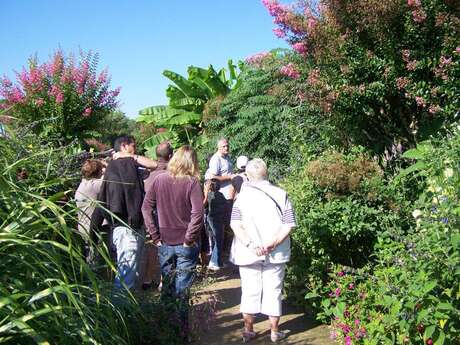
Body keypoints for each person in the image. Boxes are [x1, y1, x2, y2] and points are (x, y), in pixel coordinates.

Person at [229, 158, 296, 343]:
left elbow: (235, 225)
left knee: (249, 290)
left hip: (248, 252)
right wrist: (273, 243)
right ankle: (274, 331)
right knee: (274, 290)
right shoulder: (281, 194)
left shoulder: (241, 198)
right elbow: (289, 224)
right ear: (266, 173)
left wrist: (251, 245)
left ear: (248, 177)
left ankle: (248, 330)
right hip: (276, 251)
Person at [141, 145, 203, 331]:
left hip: (165, 242)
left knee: (168, 287)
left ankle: (166, 329)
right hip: (185, 243)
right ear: (192, 162)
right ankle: (181, 332)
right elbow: (198, 213)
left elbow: (145, 208)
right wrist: (189, 238)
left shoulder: (159, 180)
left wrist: (155, 236)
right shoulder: (192, 183)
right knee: (182, 291)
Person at [90, 135, 157, 290]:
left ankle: (127, 309)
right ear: (124, 146)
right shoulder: (124, 166)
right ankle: (121, 310)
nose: (136, 148)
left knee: (130, 274)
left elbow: (102, 199)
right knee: (127, 276)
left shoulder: (114, 168)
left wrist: (93, 231)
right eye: (133, 146)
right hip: (128, 228)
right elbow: (156, 165)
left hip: (126, 227)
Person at [141, 141, 173, 290]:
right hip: (168, 218)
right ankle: (163, 280)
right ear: (171, 156)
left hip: (150, 217)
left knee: (152, 247)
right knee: (167, 249)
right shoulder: (172, 176)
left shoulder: (148, 177)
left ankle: (148, 278)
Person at [75, 159, 105, 240]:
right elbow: (111, 179)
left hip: (84, 227)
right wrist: (107, 165)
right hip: (95, 229)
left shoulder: (83, 184)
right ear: (99, 171)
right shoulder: (93, 185)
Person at [203, 179, 227, 271]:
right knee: (218, 240)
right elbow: (225, 208)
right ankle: (214, 262)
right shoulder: (219, 195)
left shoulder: (209, 195)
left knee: (214, 240)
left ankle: (218, 261)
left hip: (210, 220)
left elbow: (204, 207)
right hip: (217, 221)